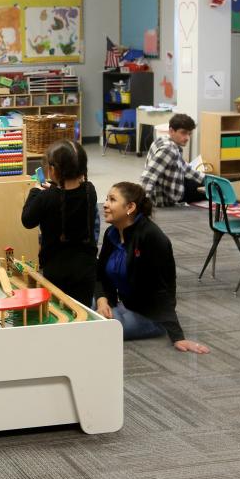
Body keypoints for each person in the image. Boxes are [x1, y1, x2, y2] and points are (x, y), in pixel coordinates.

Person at [96, 182, 209, 354]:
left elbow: (161, 289)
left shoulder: (151, 237)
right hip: (122, 303)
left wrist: (178, 336)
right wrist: (103, 299)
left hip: (149, 315)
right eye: (106, 199)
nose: (105, 204)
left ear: (130, 207)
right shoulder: (112, 233)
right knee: (80, 309)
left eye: (112, 200)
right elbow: (100, 273)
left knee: (98, 328)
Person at [21, 139, 98, 307]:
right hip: (86, 269)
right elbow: (65, 197)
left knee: (58, 311)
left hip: (55, 269)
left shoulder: (44, 198)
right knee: (82, 310)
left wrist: (35, 190)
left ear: (53, 170)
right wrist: (52, 191)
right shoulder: (90, 191)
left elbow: (27, 220)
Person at [140, 113, 205, 206]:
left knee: (204, 184)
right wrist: (142, 206)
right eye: (183, 133)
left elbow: (184, 167)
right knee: (210, 193)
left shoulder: (163, 140)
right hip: (165, 199)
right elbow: (148, 177)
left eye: (189, 134)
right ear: (171, 131)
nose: (187, 138)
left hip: (172, 187)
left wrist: (207, 179)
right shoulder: (168, 149)